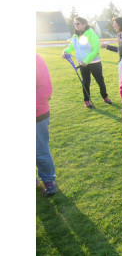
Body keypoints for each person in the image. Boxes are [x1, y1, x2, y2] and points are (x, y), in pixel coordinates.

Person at [62, 17, 112, 108]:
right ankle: (86, 100)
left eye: (78, 24)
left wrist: (86, 61)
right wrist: (65, 52)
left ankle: (105, 97)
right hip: (82, 64)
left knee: (100, 81)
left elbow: (95, 50)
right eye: (75, 24)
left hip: (95, 63)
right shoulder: (75, 36)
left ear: (84, 24)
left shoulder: (92, 34)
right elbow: (71, 47)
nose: (76, 26)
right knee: (85, 82)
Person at [36, 54, 58, 196]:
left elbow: (45, 88)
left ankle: (49, 181)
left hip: (37, 114)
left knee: (40, 151)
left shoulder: (35, 60)